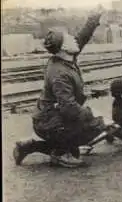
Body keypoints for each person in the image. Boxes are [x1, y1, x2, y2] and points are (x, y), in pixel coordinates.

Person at [13, 12, 113, 168]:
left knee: (76, 147)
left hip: (53, 117)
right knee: (99, 126)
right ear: (64, 47)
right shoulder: (59, 73)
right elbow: (69, 108)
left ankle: (29, 146)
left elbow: (82, 37)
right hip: (49, 122)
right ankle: (60, 154)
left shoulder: (65, 56)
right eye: (69, 38)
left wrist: (94, 18)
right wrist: (94, 115)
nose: (74, 38)